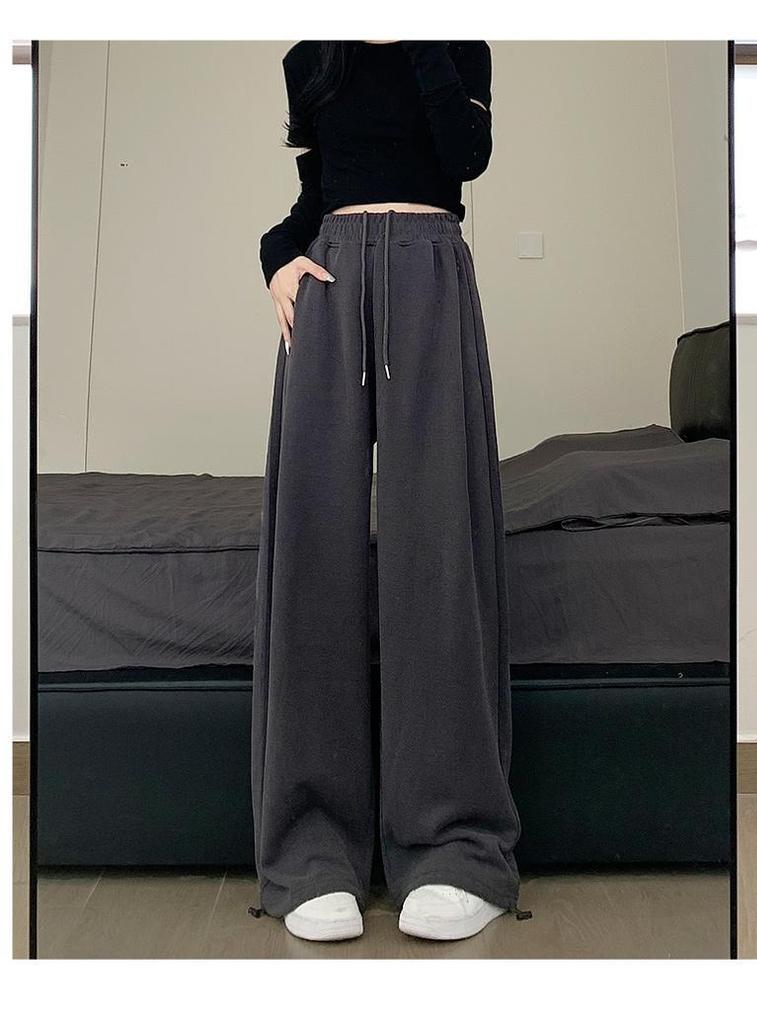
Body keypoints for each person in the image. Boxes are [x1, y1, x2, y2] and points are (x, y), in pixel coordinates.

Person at [251, 39, 522, 943]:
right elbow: (316, 193)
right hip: (328, 286)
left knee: (436, 549)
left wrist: (422, 40)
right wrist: (278, 258)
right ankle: (313, 851)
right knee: (315, 548)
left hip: (430, 274)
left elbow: (464, 158)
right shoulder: (311, 58)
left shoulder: (457, 49)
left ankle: (453, 848)